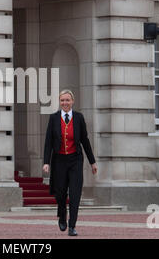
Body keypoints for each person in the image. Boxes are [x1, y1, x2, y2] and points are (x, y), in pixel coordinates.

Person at [43, 89, 98, 236]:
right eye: (62, 100)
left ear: (72, 101)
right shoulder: (53, 118)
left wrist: (92, 162)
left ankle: (72, 226)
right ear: (59, 102)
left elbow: (85, 141)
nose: (65, 103)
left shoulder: (79, 118)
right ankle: (62, 215)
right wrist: (46, 162)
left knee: (75, 194)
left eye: (67, 100)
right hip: (59, 160)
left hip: (75, 160)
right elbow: (48, 142)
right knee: (60, 194)